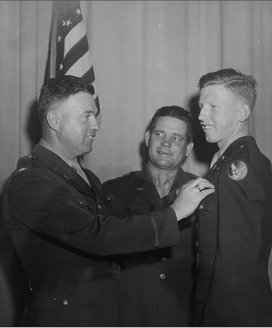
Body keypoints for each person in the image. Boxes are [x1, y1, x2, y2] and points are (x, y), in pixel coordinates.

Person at [2, 75, 214, 327]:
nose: (96, 125)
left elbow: (120, 222)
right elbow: (97, 235)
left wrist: (172, 202)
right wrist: (175, 212)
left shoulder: (83, 176)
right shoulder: (32, 183)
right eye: (87, 116)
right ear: (54, 120)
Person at [194, 68, 272, 326]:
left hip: (231, 315)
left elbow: (235, 267)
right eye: (201, 105)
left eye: (213, 107)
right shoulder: (227, 161)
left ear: (242, 113)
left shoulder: (239, 168)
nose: (201, 115)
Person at [103, 106, 197, 326]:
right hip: (129, 312)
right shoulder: (114, 190)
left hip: (184, 313)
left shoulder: (203, 191)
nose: (166, 143)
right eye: (159, 134)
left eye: (176, 138)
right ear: (147, 138)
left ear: (189, 148)